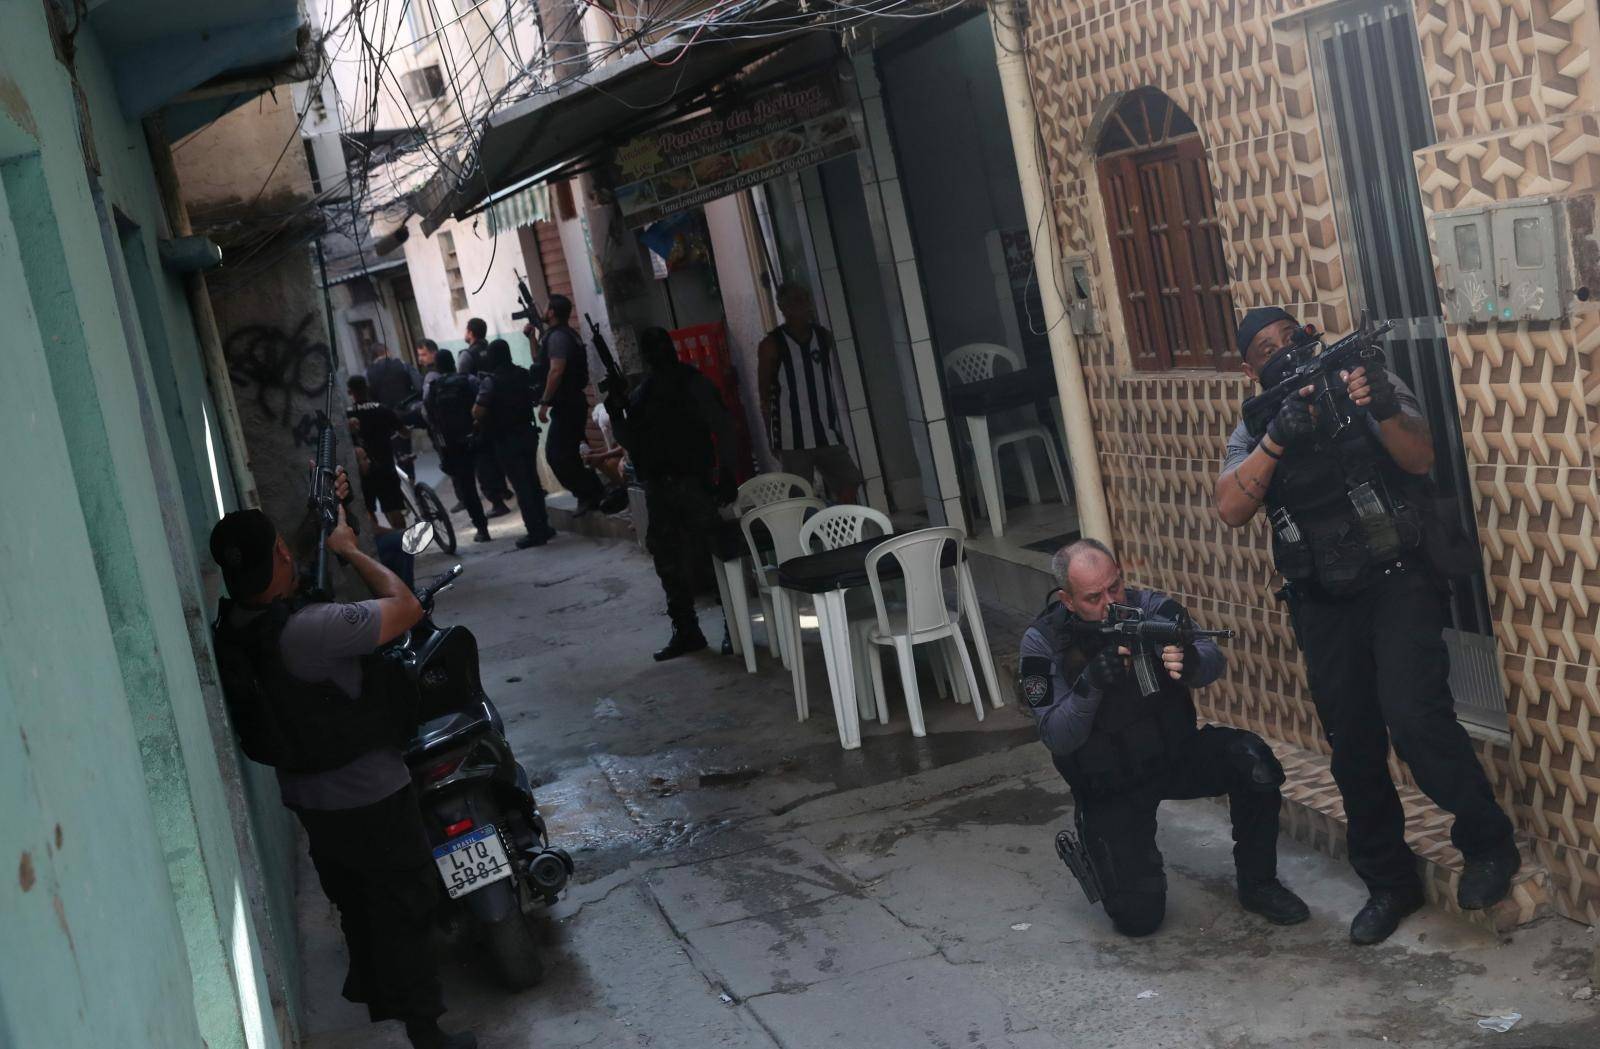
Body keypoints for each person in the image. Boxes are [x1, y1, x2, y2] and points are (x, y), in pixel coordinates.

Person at [1215, 306, 1519, 945]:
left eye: (1290, 339)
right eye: (1266, 349)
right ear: (1251, 370)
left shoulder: (1360, 380)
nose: (1284, 352)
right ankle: (1389, 884)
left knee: (1415, 717)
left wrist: (1379, 406)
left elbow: (1419, 457)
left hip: (1396, 580)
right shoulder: (1258, 421)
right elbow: (1231, 507)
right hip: (1320, 600)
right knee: (1352, 744)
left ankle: (1489, 846)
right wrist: (1278, 438)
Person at [208, 474, 476, 1049]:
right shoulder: (312, 631)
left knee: (360, 905)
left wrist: (321, 526)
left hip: (311, 798)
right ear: (280, 554)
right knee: (406, 907)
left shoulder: (239, 627)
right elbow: (402, 608)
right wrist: (351, 549)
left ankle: (385, 996)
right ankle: (428, 1032)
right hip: (370, 793)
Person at [1021, 540, 1309, 938]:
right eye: (1093, 597)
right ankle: (1100, 843)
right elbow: (1056, 735)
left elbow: (1210, 659)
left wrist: (1191, 662)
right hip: (1109, 781)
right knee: (1139, 920)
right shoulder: (1043, 643)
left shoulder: (1151, 608)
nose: (1111, 602)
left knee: (1252, 762)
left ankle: (1259, 884)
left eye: (1115, 587)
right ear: (1067, 601)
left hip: (1172, 755)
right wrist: (1091, 685)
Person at [609, 327, 740, 660]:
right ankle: (686, 630)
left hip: (692, 482)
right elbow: (632, 441)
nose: (656, 354)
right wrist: (617, 411)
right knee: (668, 561)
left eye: (659, 347)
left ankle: (733, 630)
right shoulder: (643, 393)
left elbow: (723, 428)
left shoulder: (692, 383)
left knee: (715, 559)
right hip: (659, 487)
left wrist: (726, 472)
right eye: (650, 349)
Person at [757, 282, 862, 503]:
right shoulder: (771, 344)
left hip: (825, 429)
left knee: (849, 481)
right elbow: (764, 395)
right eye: (796, 300)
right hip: (791, 435)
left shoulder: (823, 337)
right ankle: (808, 534)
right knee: (799, 496)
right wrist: (770, 436)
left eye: (805, 298)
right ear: (784, 308)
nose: (804, 305)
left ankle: (845, 530)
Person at [476, 338, 556, 549]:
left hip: (506, 440)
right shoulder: (522, 374)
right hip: (527, 434)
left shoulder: (490, 382)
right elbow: (533, 396)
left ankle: (535, 532)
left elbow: (478, 411)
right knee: (533, 481)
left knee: (522, 487)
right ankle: (545, 526)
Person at [535, 295, 607, 514]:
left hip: (567, 404)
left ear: (552, 312)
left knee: (557, 455)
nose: (543, 311)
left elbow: (556, 369)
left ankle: (588, 492)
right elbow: (541, 364)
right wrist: (532, 337)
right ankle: (592, 493)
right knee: (571, 454)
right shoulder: (562, 335)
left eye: (546, 307)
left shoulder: (558, 337)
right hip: (569, 403)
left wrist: (545, 402)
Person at [422, 349, 491, 544]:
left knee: (467, 488)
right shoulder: (469, 380)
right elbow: (483, 402)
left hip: (452, 444)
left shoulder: (433, 386)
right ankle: (498, 500)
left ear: (437, 366)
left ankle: (482, 529)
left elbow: (428, 415)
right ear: (453, 362)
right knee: (487, 473)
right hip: (476, 436)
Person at [458, 317, 512, 518]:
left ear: (470, 332)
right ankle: (505, 488)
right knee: (499, 450)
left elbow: (462, 384)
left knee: (484, 458)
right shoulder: (493, 349)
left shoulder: (467, 356)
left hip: (479, 410)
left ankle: (497, 501)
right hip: (498, 409)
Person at [346, 375, 408, 530]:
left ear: (349, 392)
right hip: (386, 466)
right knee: (393, 508)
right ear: (367, 388)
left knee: (368, 510)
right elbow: (404, 431)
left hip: (362, 470)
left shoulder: (347, 415)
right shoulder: (382, 409)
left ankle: (379, 546)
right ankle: (405, 545)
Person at [365, 343, 423, 412]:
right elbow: (419, 386)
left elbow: (368, 399)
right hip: (409, 409)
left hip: (386, 415)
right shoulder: (403, 364)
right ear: (387, 352)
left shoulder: (366, 374)